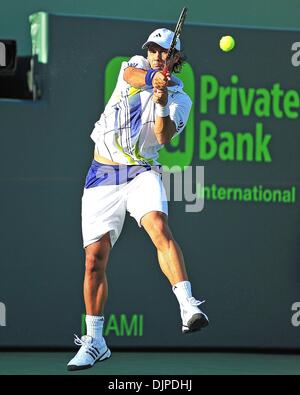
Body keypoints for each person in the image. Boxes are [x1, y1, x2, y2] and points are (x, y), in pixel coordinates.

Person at [67, 28, 209, 371]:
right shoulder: (133, 66)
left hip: (141, 173)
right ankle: (95, 341)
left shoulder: (181, 100)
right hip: (102, 176)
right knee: (93, 261)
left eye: (164, 53)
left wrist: (161, 104)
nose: (158, 56)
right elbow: (133, 75)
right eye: (153, 51)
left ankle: (188, 305)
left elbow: (163, 136)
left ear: (176, 59)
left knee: (159, 226)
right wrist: (152, 78)